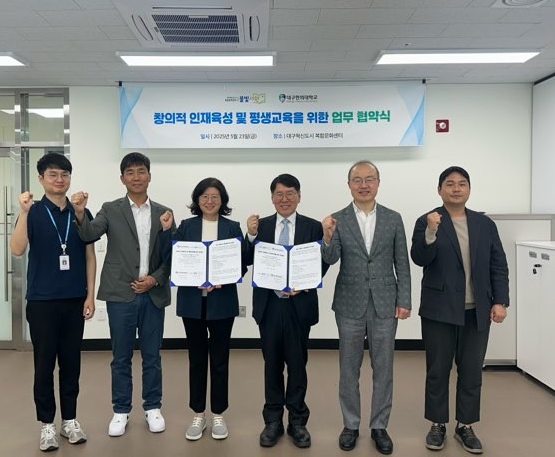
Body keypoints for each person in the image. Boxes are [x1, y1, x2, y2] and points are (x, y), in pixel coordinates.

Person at [70, 152, 174, 437]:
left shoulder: (164, 212)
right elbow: (89, 233)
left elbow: (171, 255)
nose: (136, 177)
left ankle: (153, 407)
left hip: (153, 295)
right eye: (130, 172)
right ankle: (121, 410)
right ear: (122, 178)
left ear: (149, 175)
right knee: (120, 357)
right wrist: (79, 212)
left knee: (152, 356)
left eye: (141, 171)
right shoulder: (110, 209)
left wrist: (154, 279)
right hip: (120, 294)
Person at [410, 166, 509, 454]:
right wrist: (431, 232)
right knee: (438, 370)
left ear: (469, 189)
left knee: (471, 371)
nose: (456, 189)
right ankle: (437, 424)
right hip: (439, 310)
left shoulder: (484, 224)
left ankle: (465, 425)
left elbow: (498, 264)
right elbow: (419, 258)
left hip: (476, 310)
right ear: (439, 190)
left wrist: (500, 301)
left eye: (462, 184)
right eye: (450, 184)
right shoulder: (427, 220)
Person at [321, 160, 411, 455]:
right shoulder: (338, 219)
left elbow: (402, 263)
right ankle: (350, 424)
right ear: (349, 185)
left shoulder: (393, 218)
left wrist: (405, 300)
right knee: (349, 368)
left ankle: (379, 426)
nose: (363, 185)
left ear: (378, 183)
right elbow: (331, 259)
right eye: (357, 180)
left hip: (386, 302)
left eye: (369, 179)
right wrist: (327, 236)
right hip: (349, 303)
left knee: (383, 368)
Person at [11, 152, 96, 452]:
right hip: (42, 301)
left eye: (64, 174)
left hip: (74, 300)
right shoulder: (32, 211)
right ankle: (47, 424)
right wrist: (23, 212)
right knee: (44, 365)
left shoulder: (80, 211)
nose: (59, 180)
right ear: (41, 178)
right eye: (53, 174)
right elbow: (17, 249)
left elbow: (90, 256)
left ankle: (69, 420)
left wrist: (90, 294)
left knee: (71, 364)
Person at [244, 173, 328, 449]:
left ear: (299, 196)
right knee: (271, 365)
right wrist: (250, 236)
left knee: (297, 365)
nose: (284, 199)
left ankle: (297, 421)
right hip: (269, 306)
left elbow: (322, 264)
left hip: (298, 306)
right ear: (272, 198)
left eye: (290, 193)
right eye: (279, 194)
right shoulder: (262, 226)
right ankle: (272, 421)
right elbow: (246, 260)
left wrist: (304, 283)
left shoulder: (313, 227)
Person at [160, 177, 247, 441]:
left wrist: (226, 276)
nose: (210, 201)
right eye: (205, 197)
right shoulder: (186, 227)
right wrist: (167, 231)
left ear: (222, 200)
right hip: (192, 303)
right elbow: (171, 259)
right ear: (197, 200)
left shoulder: (232, 227)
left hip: (222, 303)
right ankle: (198, 413)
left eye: (215, 197)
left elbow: (242, 263)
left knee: (220, 360)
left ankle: (218, 413)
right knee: (197, 359)